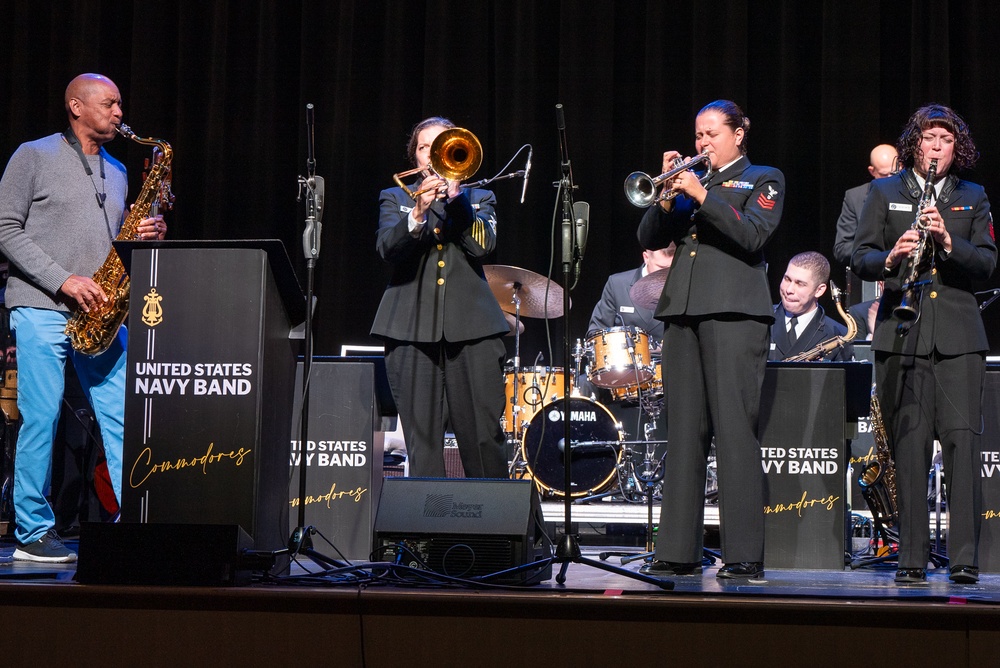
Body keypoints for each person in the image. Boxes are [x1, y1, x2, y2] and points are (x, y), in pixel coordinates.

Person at [0, 73, 166, 562]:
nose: (119, 112)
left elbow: (112, 244)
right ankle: (32, 532)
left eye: (120, 104)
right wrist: (62, 278)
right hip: (41, 305)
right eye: (110, 103)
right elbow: (4, 227)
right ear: (76, 105)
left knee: (125, 417)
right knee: (42, 416)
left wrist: (143, 237)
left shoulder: (117, 170)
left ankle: (133, 519)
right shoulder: (34, 155)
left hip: (103, 315)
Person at [636, 99, 784, 579]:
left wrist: (701, 195)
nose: (702, 143)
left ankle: (743, 555)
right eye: (698, 135)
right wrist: (664, 195)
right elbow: (651, 233)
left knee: (734, 432)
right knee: (683, 433)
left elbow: (752, 236)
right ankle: (676, 550)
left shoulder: (764, 177)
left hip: (736, 315)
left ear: (739, 134)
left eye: (712, 134)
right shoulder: (690, 183)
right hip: (682, 312)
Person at [851, 104, 997, 585]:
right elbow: (859, 255)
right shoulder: (884, 190)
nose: (938, 148)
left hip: (958, 338)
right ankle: (909, 559)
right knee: (908, 450)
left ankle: (964, 560)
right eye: (930, 138)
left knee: (960, 449)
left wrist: (949, 241)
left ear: (957, 149)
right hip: (902, 333)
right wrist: (890, 256)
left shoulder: (972, 196)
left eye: (947, 141)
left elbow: (987, 264)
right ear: (915, 143)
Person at [371, 116, 509, 479]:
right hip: (409, 328)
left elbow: (482, 246)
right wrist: (417, 213)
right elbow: (387, 248)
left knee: (484, 439)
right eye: (422, 147)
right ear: (415, 158)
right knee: (423, 445)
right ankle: (425, 535)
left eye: (439, 145)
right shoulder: (397, 197)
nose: (431, 155)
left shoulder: (480, 196)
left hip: (474, 329)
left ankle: (494, 533)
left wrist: (456, 197)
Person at [769, 251, 853, 361]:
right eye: (787, 279)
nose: (789, 290)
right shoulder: (760, 319)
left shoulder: (838, 335)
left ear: (819, 290)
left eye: (800, 284)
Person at [833, 144, 899, 266]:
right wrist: (875, 250)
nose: (890, 179)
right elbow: (841, 248)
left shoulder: (912, 194)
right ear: (872, 171)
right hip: (871, 274)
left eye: (894, 173)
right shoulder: (855, 197)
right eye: (885, 175)